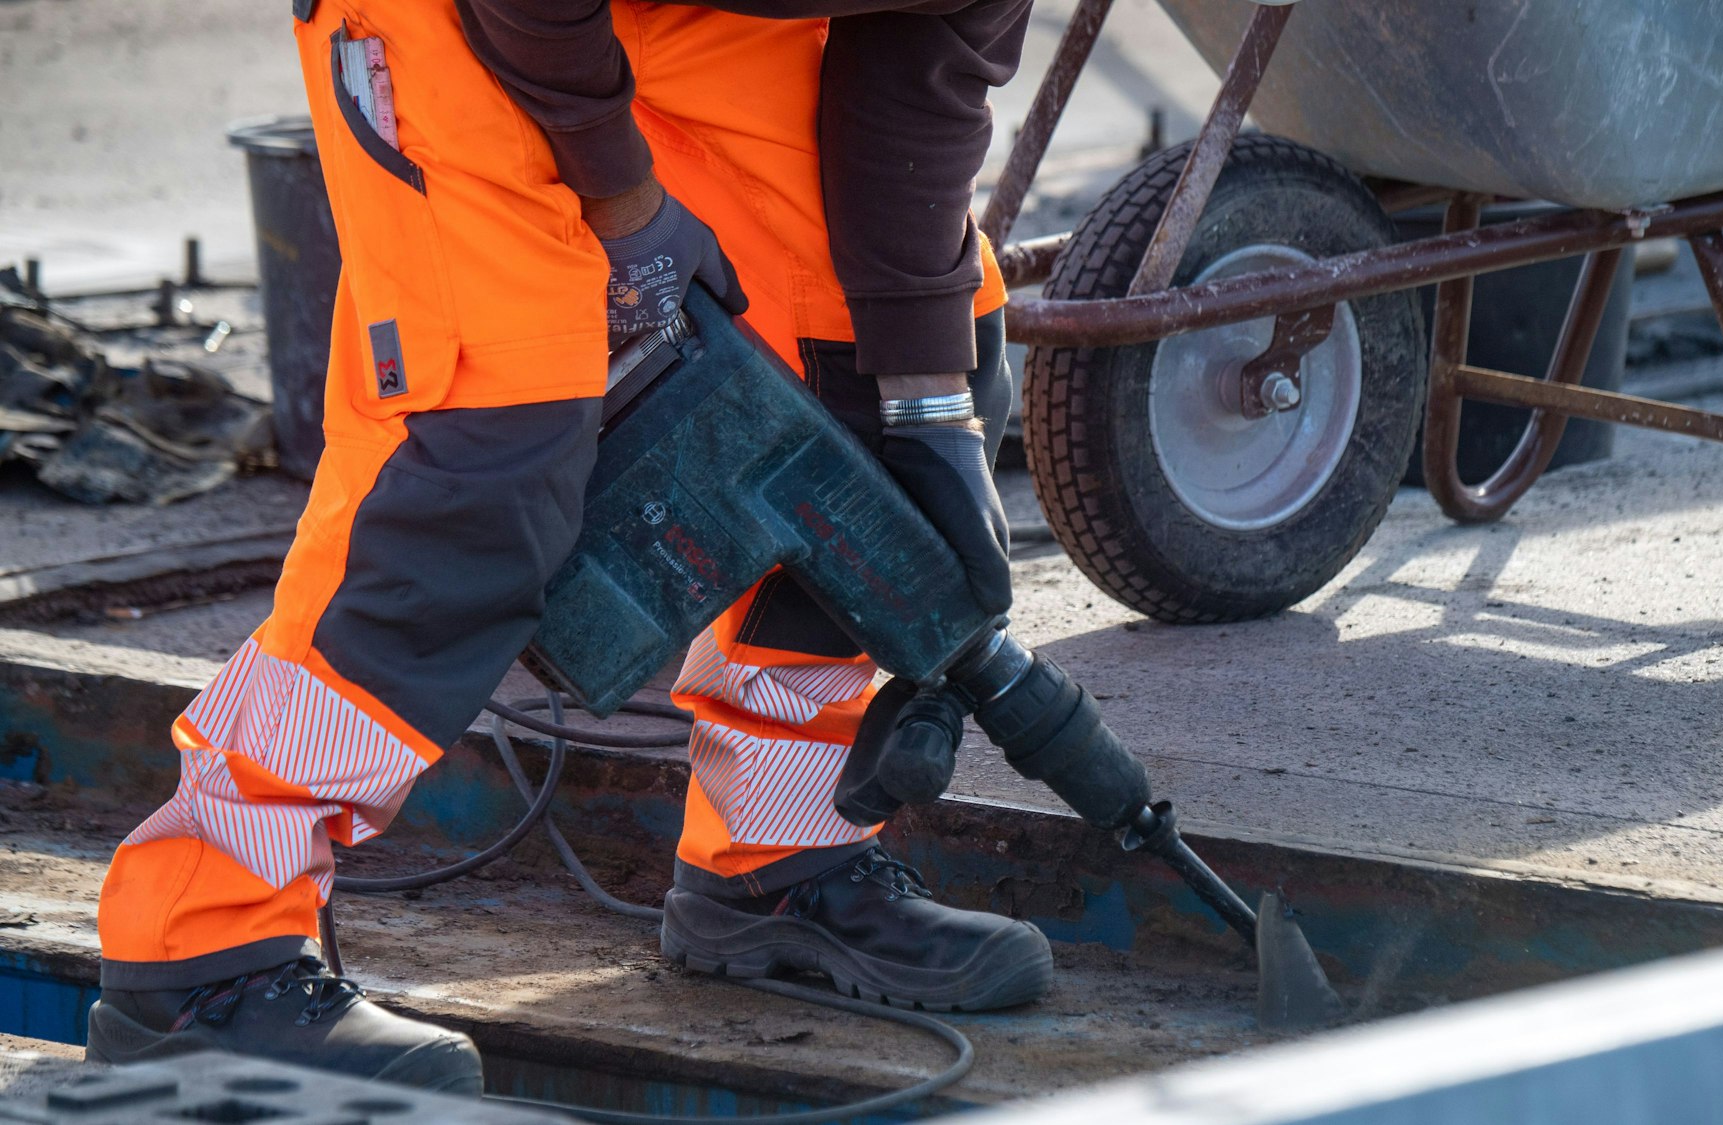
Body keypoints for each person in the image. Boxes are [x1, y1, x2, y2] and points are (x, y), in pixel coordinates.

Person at [85, 0, 1043, 1093]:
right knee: (487, 438)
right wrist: (625, 208)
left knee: (863, 365)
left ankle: (778, 853)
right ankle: (201, 950)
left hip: (721, 17)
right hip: (458, 14)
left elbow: (919, 82)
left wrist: (929, 414)